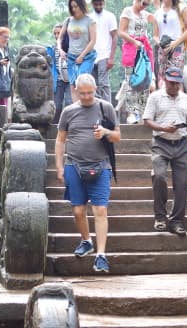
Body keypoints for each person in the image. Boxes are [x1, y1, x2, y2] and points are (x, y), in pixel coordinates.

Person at [55, 73, 121, 273]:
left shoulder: (105, 108)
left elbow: (117, 136)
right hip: (74, 164)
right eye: (82, 93)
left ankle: (101, 255)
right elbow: (60, 140)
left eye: (89, 93)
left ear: (95, 91)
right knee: (77, 210)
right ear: (75, 90)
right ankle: (86, 240)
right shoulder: (68, 112)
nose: (86, 97)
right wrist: (59, 166)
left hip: (100, 165)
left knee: (100, 210)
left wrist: (106, 133)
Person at [142, 67, 187, 237]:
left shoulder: (186, 99)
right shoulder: (155, 97)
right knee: (159, 176)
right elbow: (146, 121)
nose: (174, 86)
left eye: (177, 84)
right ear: (165, 81)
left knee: (181, 184)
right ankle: (160, 217)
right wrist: (163, 128)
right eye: (171, 83)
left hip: (181, 144)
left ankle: (177, 221)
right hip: (160, 143)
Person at [117, 0, 158, 123]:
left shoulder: (145, 14)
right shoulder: (127, 11)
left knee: (145, 81)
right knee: (132, 81)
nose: (144, 6)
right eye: (143, 3)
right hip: (131, 48)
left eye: (146, 4)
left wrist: (158, 6)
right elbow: (121, 32)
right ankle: (131, 113)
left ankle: (141, 113)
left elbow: (158, 19)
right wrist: (134, 41)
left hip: (143, 50)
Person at [153, 0, 187, 90]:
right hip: (163, 48)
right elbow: (155, 35)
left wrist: (175, 43)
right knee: (162, 77)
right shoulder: (157, 13)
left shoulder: (180, 8)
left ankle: (179, 104)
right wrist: (160, 45)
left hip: (177, 46)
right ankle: (164, 103)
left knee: (176, 77)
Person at [58, 0, 97, 103]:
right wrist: (60, 50)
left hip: (86, 56)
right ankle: (77, 108)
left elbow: (93, 41)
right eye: (72, 7)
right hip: (71, 56)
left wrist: (82, 55)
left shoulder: (90, 21)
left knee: (83, 81)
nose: (74, 9)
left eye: (76, 6)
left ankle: (89, 105)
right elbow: (60, 38)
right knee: (73, 83)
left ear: (81, 5)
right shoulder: (68, 20)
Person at [90, 0, 118, 103]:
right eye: (96, 4)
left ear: (104, 3)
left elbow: (114, 37)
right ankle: (96, 111)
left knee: (104, 84)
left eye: (100, 4)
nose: (98, 7)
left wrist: (111, 58)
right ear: (92, 4)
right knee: (93, 85)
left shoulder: (110, 16)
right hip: (91, 56)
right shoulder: (89, 18)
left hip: (104, 55)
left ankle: (107, 111)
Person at [48, 23, 72, 123]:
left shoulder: (72, 46)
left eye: (59, 33)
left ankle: (69, 124)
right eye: (55, 33)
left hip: (71, 79)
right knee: (57, 104)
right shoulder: (52, 49)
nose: (57, 35)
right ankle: (55, 126)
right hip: (58, 80)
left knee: (69, 102)